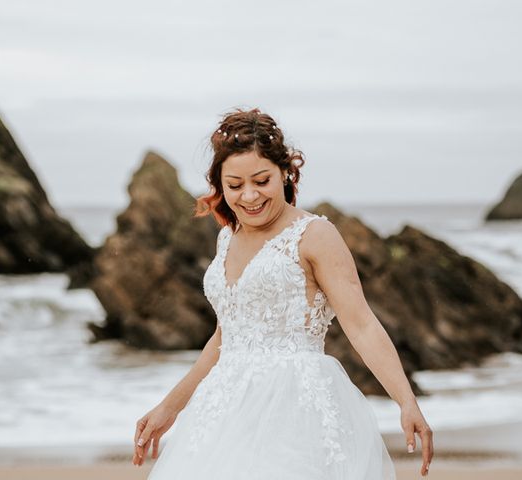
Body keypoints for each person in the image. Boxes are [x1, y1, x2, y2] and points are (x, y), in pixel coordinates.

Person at [132, 108, 433, 479]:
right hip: (224, 412)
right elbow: (227, 336)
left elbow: (362, 325)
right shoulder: (227, 238)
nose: (249, 196)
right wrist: (171, 406)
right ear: (219, 186)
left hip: (294, 409)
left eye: (261, 180)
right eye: (235, 185)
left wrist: (406, 401)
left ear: (285, 173)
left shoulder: (315, 235)